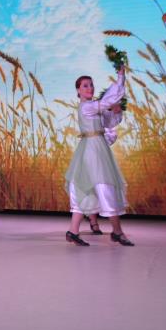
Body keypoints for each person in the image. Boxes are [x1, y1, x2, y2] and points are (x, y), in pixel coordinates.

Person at [64, 68, 134, 247]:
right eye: (85, 86)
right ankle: (117, 232)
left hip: (98, 148)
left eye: (91, 85)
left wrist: (116, 111)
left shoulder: (94, 107)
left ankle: (73, 231)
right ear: (78, 90)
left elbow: (109, 121)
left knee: (90, 188)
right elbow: (106, 102)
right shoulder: (86, 107)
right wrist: (120, 78)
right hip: (91, 151)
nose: (90, 88)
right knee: (104, 187)